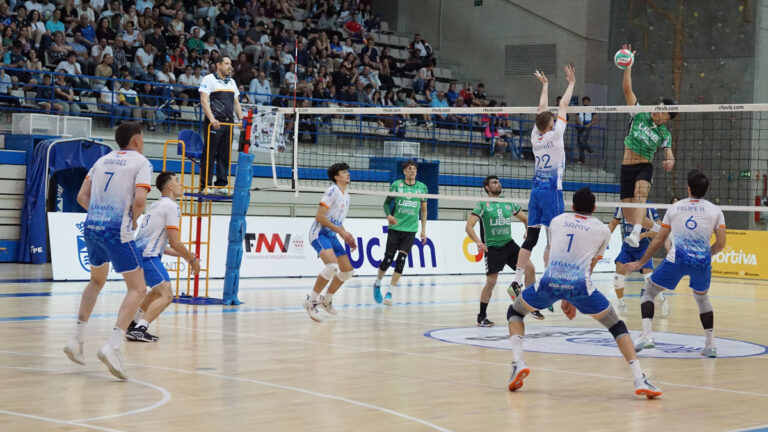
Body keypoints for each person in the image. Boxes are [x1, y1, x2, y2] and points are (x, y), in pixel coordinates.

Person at [507, 188, 662, 398]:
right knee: (617, 326)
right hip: (581, 286)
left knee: (515, 313)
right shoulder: (602, 230)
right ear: (595, 208)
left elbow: (555, 255)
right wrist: (571, 297)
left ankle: (518, 363)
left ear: (573, 206)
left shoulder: (557, 221)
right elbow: (590, 266)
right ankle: (639, 378)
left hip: (550, 282)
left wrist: (562, 296)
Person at [63, 122, 153, 381]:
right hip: (117, 231)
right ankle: (112, 346)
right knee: (138, 288)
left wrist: (100, 213)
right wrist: (133, 219)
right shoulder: (141, 163)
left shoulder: (101, 161)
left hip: (92, 227)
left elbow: (82, 196)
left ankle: (77, 340)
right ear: (136, 140)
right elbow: (139, 201)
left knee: (96, 281)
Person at [625, 170, 726, 358]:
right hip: (701, 262)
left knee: (648, 292)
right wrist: (705, 254)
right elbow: (721, 244)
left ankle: (647, 336)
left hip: (676, 259)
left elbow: (657, 241)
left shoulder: (675, 208)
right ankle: (710, 344)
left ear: (688, 188)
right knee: (702, 299)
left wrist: (641, 261)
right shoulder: (715, 211)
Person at [509, 64, 576, 303]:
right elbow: (563, 106)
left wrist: (545, 85)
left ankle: (516, 280)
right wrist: (571, 83)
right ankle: (552, 278)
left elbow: (541, 111)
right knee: (554, 235)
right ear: (551, 124)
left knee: (532, 237)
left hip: (535, 191)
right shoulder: (556, 133)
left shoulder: (534, 136)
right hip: (552, 191)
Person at [127, 172, 201, 342]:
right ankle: (140, 328)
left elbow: (162, 244)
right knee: (167, 296)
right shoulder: (172, 207)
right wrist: (192, 259)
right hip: (148, 257)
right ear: (169, 186)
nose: (181, 183)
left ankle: (133, 324)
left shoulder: (156, 205)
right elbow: (175, 242)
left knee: (155, 292)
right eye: (176, 181)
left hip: (140, 254)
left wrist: (185, 255)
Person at [620, 43, 677, 248]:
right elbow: (627, 89)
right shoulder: (640, 113)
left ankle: (636, 234)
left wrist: (669, 160)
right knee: (629, 215)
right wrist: (628, 65)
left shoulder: (664, 133)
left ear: (667, 118)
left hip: (644, 167)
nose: (658, 111)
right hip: (627, 167)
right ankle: (662, 231)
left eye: (662, 111)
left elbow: (668, 152)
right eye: (658, 107)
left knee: (640, 195)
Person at [465, 176, 538, 326]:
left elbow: (526, 219)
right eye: (494, 182)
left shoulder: (508, 202)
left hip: (509, 244)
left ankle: (531, 305)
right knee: (491, 282)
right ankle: (482, 316)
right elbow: (469, 227)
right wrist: (478, 242)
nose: (498, 184)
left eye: (498, 182)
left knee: (530, 268)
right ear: (487, 187)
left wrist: (527, 231)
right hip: (492, 247)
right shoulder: (482, 205)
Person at [303, 163, 357, 322]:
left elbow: (338, 221)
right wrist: (340, 231)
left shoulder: (346, 196)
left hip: (332, 235)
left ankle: (325, 300)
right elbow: (320, 217)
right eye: (344, 172)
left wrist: (346, 235)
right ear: (336, 176)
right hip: (319, 233)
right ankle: (311, 301)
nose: (348, 174)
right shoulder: (332, 191)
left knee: (347, 271)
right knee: (332, 267)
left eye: (348, 171)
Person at [372, 160, 428, 306]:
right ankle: (377, 284)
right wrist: (388, 216)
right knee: (388, 260)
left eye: (414, 169)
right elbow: (386, 203)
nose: (413, 171)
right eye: (410, 169)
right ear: (404, 171)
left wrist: (423, 230)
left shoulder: (422, 188)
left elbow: (423, 210)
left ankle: (390, 292)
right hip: (395, 228)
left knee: (401, 261)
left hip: (410, 230)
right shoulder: (397, 185)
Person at [607, 204, 669, 315]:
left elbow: (660, 229)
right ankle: (621, 304)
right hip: (627, 246)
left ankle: (661, 299)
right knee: (618, 275)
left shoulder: (649, 207)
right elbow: (613, 223)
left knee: (648, 276)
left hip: (643, 246)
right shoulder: (622, 206)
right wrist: (603, 236)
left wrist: (643, 235)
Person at [199, 56, 243, 195]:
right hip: (215, 122)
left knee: (225, 154)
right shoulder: (208, 79)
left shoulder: (232, 82)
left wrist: (241, 119)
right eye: (226, 63)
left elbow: (236, 103)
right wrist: (211, 119)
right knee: (210, 153)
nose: (229, 66)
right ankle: (205, 184)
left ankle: (221, 184)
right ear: (218, 65)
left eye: (230, 63)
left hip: (228, 122)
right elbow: (204, 101)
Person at [575, 96, 596, 164]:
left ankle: (590, 151)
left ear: (589, 102)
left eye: (587, 101)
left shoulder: (591, 109)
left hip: (588, 126)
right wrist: (580, 123)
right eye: (584, 101)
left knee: (582, 140)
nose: (586, 102)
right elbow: (577, 118)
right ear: (583, 102)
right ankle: (581, 160)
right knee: (579, 143)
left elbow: (595, 120)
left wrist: (589, 124)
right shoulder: (579, 109)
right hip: (580, 126)